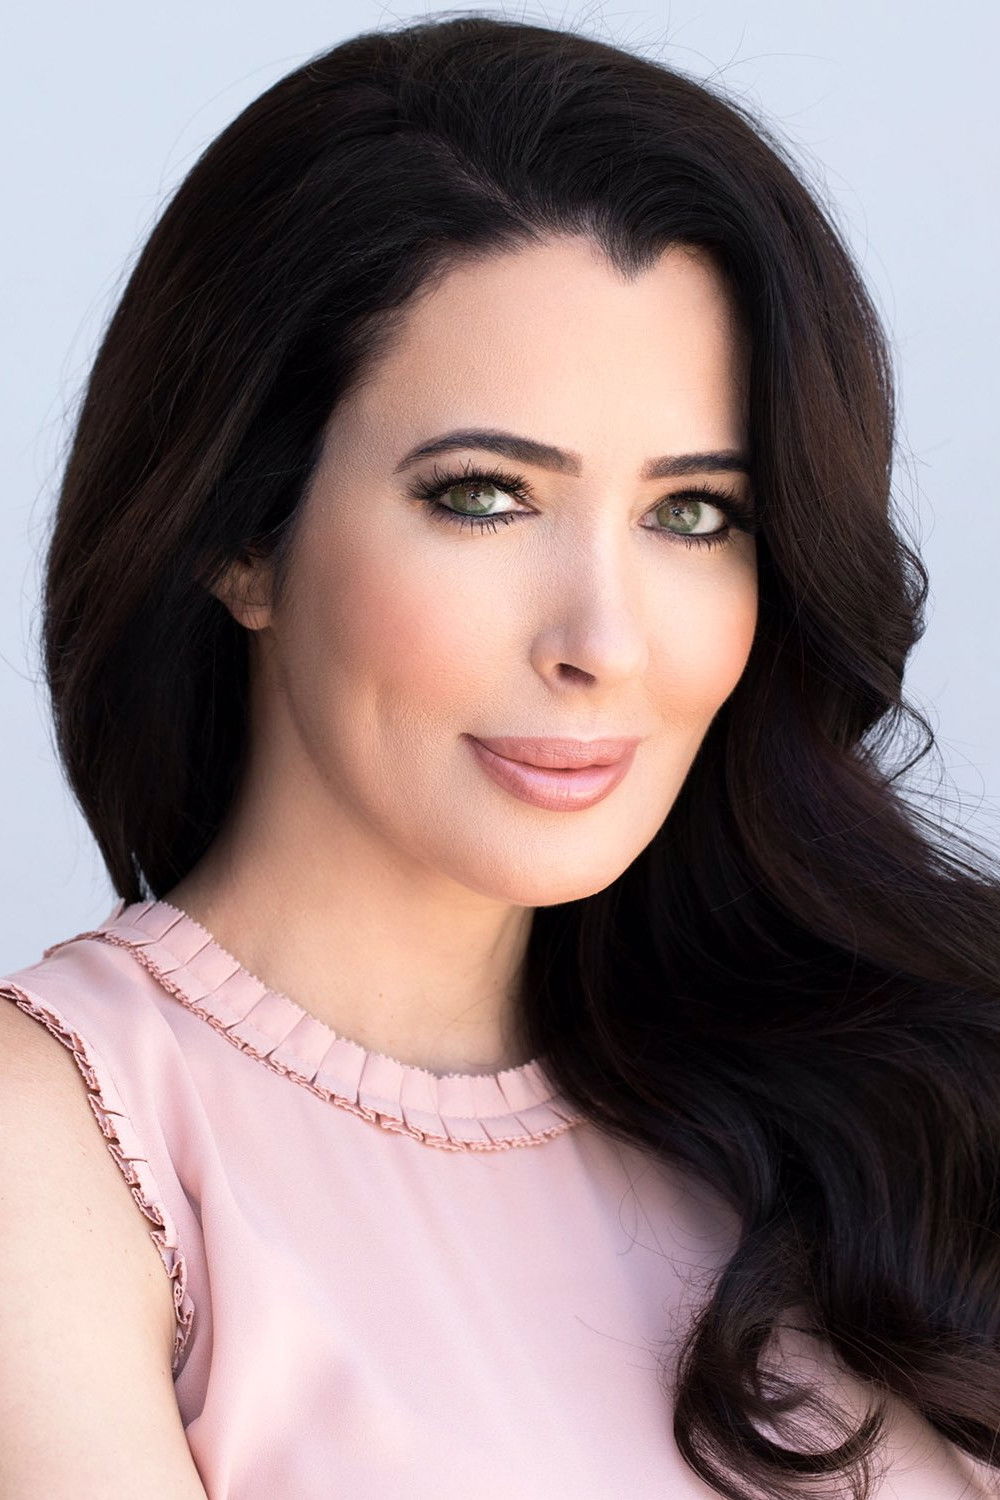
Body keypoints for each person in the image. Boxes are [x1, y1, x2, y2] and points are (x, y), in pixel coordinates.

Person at [2, 13, 998, 1499]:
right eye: (483, 496)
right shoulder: (61, 1147)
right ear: (241, 536)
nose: (606, 640)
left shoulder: (880, 1108)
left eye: (692, 515)